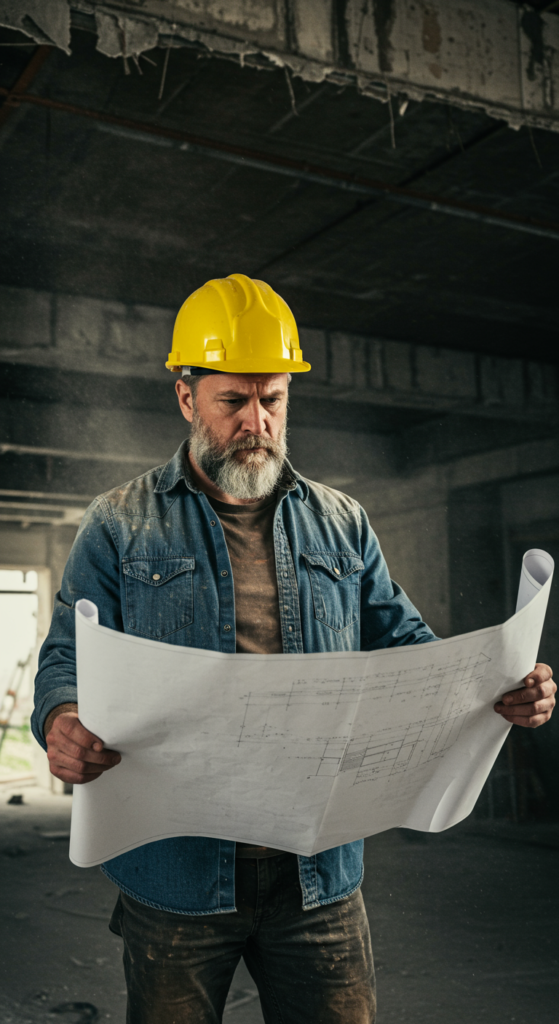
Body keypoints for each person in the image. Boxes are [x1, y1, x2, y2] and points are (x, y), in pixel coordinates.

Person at [32, 274, 556, 1024]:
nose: (256, 423)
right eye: (232, 401)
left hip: (319, 877)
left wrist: (497, 687)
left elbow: (407, 646)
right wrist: (61, 722)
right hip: (176, 874)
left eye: (272, 399)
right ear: (186, 398)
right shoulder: (118, 525)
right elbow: (63, 661)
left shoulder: (341, 524)